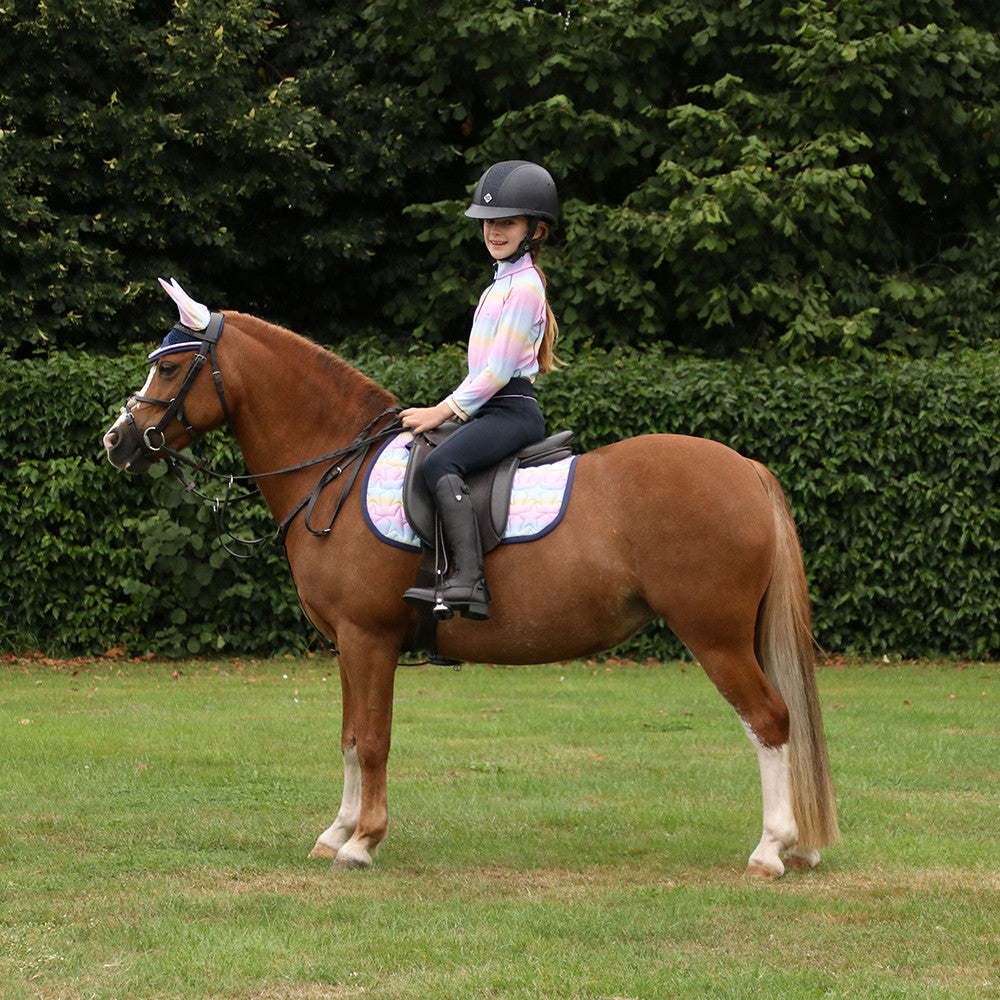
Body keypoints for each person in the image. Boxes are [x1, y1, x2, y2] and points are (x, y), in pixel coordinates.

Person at [400, 159, 561, 622]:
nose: (494, 231)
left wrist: (441, 411)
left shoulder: (524, 287)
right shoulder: (501, 284)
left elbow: (495, 373)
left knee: (440, 461)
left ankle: (468, 580)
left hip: (510, 411)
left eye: (506, 222)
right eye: (489, 222)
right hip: (495, 409)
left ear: (536, 231)